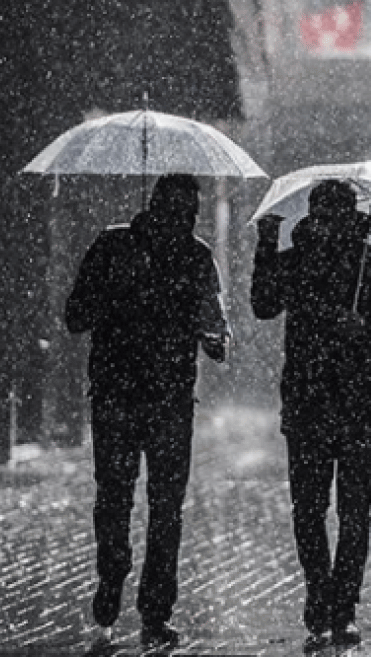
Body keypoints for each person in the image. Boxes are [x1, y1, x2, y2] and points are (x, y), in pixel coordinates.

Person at [251, 181, 371, 651]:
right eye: (322, 215)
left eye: (337, 215)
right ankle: (318, 593)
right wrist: (266, 246)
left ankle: (343, 606)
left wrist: (366, 326)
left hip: (362, 405)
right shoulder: (296, 260)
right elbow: (264, 305)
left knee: (353, 513)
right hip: (307, 403)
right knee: (308, 510)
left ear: (352, 217)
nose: (329, 225)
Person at [64, 174, 229, 650]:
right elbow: (75, 315)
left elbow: (213, 327)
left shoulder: (196, 257)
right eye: (178, 211)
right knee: (119, 498)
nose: (184, 222)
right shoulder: (113, 248)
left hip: (169, 399)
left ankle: (154, 609)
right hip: (121, 396)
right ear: (155, 206)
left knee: (163, 508)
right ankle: (114, 577)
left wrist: (211, 337)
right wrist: (120, 292)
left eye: (190, 214)